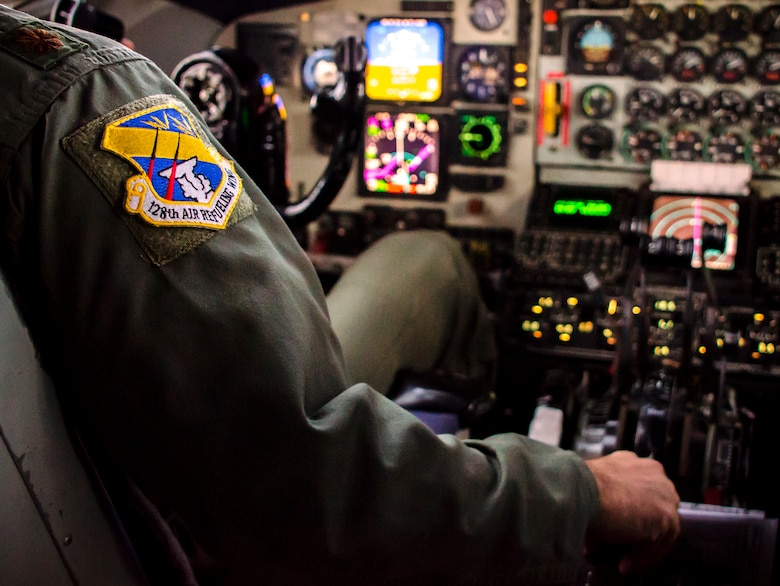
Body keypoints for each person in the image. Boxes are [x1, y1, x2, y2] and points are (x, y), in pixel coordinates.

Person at [0, 5, 680, 585]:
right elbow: (298, 481)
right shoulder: (69, 86)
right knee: (429, 255)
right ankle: (481, 426)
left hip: (135, 460)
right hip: (210, 534)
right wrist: (584, 491)